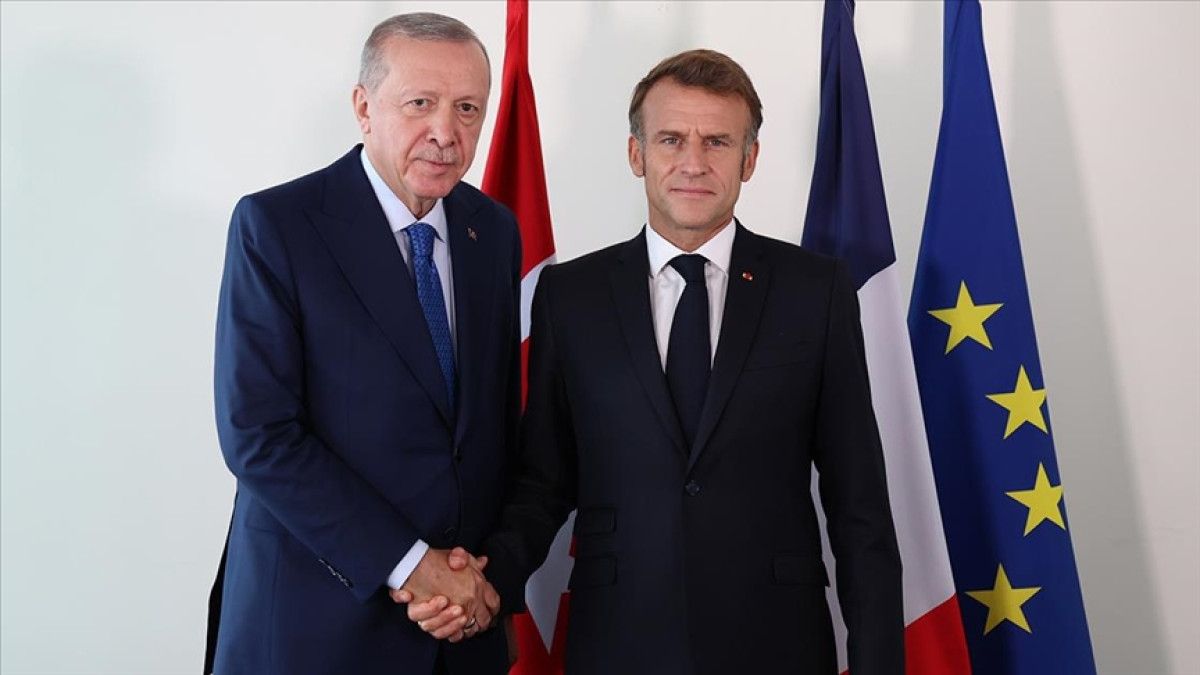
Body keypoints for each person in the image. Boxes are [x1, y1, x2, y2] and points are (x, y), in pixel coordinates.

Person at [408, 48, 904, 674]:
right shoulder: (572, 296)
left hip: (777, 642)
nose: (694, 163)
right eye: (671, 139)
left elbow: (859, 504)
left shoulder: (815, 291)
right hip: (618, 642)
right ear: (636, 154)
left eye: (717, 142)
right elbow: (544, 482)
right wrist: (486, 583)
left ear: (749, 159)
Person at [208, 12, 518, 675]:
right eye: (420, 103)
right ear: (363, 107)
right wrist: (412, 564)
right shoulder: (277, 226)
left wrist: (474, 581)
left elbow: (489, 428)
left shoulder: (492, 231)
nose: (446, 132)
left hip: (460, 631)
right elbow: (259, 434)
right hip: (316, 627)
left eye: (468, 108)